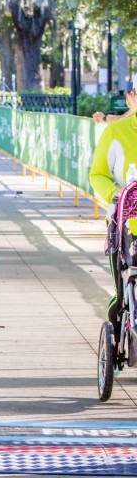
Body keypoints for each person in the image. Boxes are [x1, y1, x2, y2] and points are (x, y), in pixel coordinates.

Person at [89, 75, 137, 345]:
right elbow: (97, 175)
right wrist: (115, 194)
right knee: (124, 290)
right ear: (131, 99)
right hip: (126, 226)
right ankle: (120, 328)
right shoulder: (116, 133)